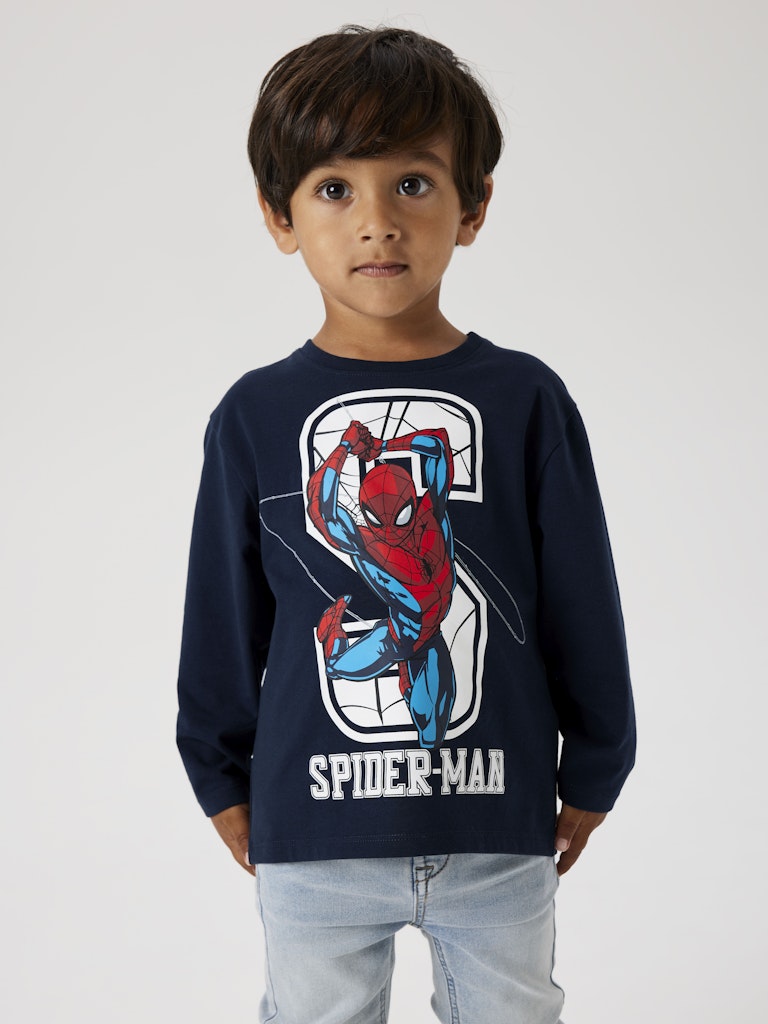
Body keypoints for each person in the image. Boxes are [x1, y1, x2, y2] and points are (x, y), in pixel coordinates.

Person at [177, 24, 636, 1024]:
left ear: (473, 207)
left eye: (413, 184)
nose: (377, 222)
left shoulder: (526, 399)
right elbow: (223, 612)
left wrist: (600, 763)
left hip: (498, 825)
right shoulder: (253, 414)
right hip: (314, 831)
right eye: (335, 189)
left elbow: (580, 596)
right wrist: (217, 773)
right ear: (279, 215)